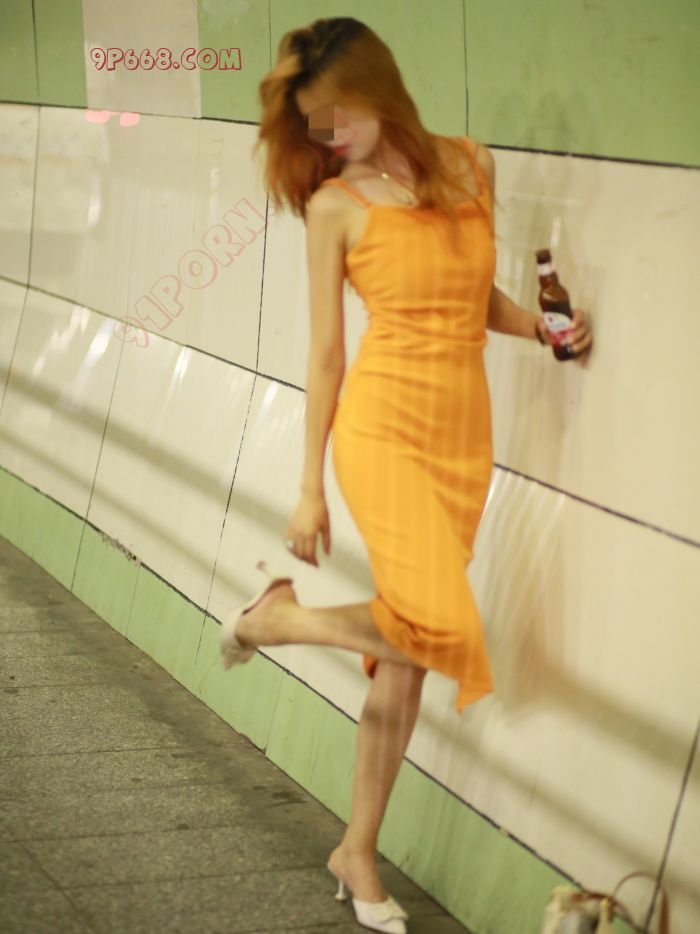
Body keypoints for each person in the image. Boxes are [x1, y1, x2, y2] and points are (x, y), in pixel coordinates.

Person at [220, 16, 593, 934]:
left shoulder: (470, 165)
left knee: (407, 659)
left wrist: (544, 331)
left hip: (461, 438)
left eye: (338, 113)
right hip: (381, 430)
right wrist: (309, 486)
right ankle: (281, 620)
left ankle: (357, 848)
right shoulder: (334, 207)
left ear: (381, 90)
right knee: (438, 626)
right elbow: (325, 356)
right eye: (315, 122)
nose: (329, 135)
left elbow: (471, 297)